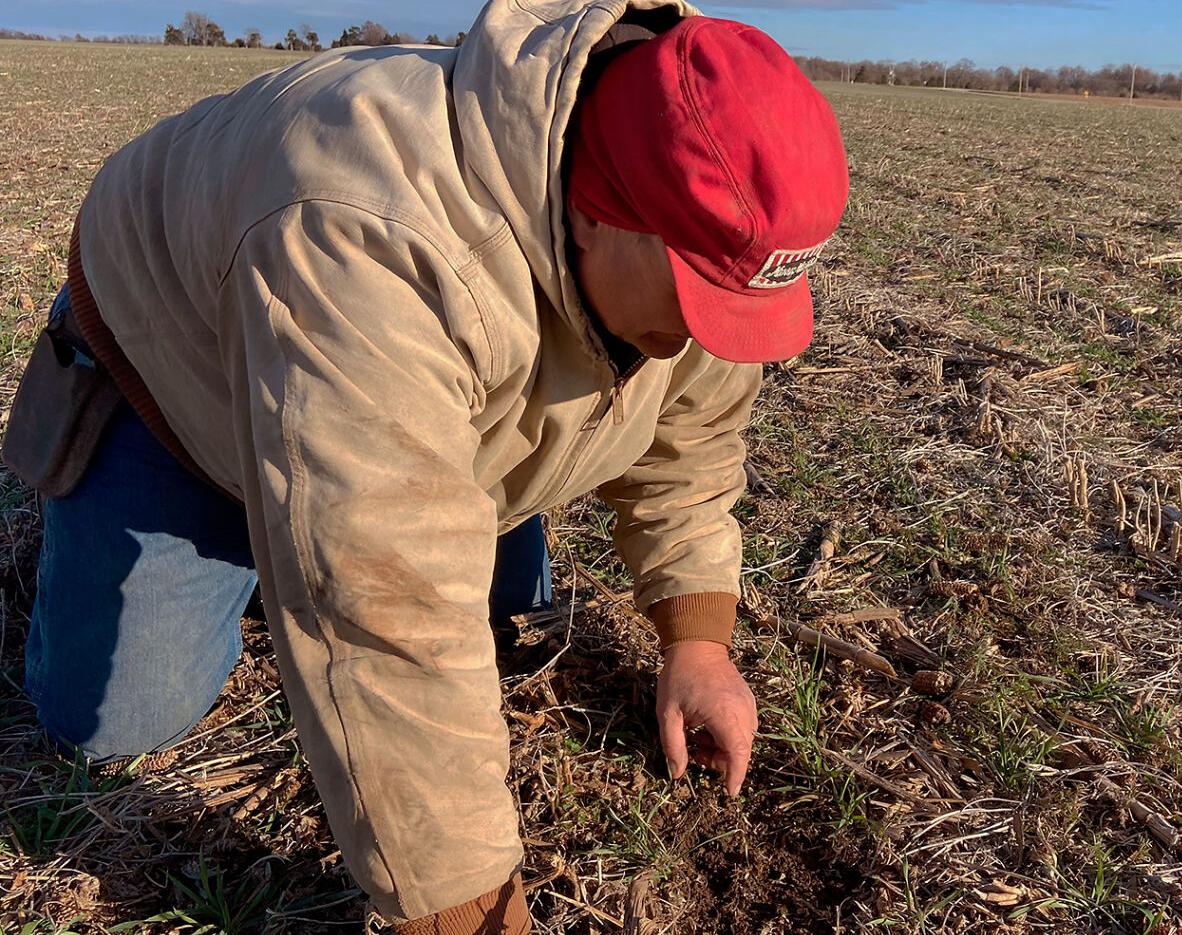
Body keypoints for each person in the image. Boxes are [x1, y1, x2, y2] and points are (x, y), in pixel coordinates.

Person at [2, 0, 848, 930]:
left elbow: (692, 444)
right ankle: (158, 494)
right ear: (600, 213)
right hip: (172, 373)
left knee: (500, 613)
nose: (704, 338)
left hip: (396, 371)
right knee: (116, 726)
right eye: (693, 304)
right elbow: (385, 610)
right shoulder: (364, 229)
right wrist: (468, 911)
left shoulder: (707, 232)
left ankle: (319, 495)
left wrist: (697, 640)